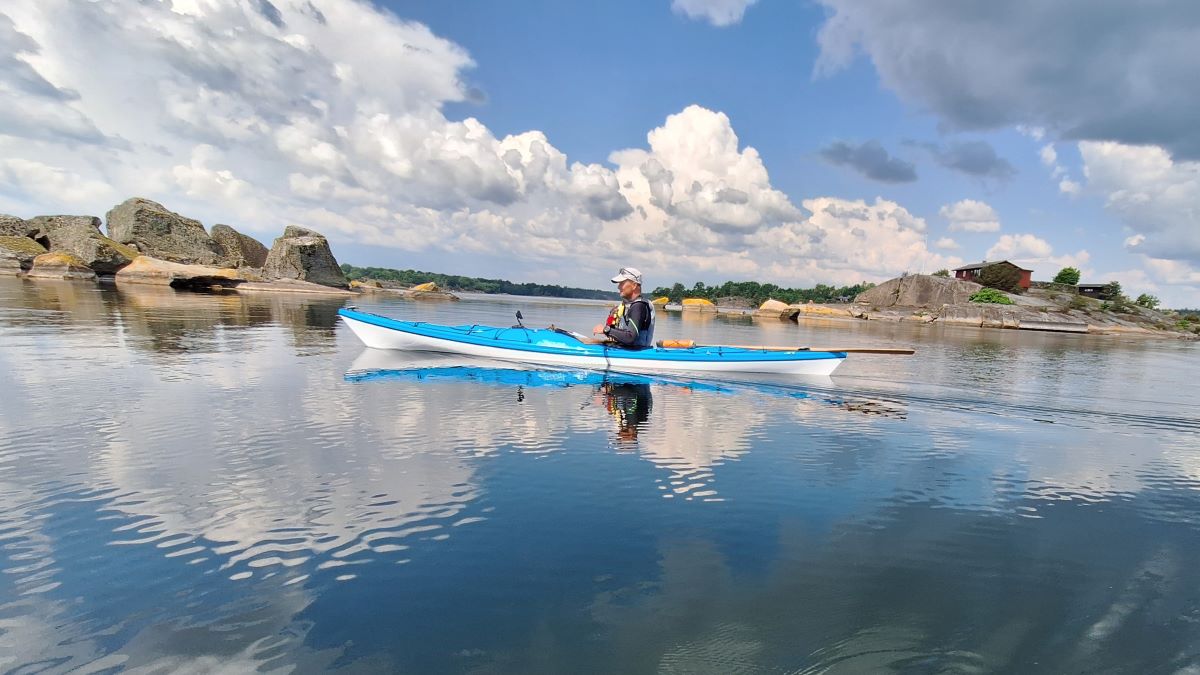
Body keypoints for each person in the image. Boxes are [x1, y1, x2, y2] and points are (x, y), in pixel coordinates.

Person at [592, 267, 655, 348]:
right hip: (626, 351)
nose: (618, 287)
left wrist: (606, 330)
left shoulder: (638, 306)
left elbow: (630, 338)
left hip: (636, 355)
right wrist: (611, 325)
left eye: (622, 283)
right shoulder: (626, 306)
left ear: (634, 285)